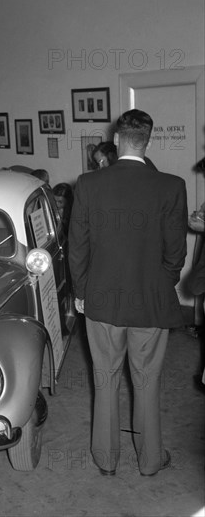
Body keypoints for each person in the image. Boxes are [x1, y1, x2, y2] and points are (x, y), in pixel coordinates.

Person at [68, 109, 187, 477]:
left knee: (104, 379)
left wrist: (81, 291)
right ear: (148, 142)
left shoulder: (88, 184)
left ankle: (106, 460)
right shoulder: (171, 186)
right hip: (150, 302)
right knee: (147, 382)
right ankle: (150, 461)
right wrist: (159, 284)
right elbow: (176, 253)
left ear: (117, 140)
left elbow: (77, 248)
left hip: (101, 299)